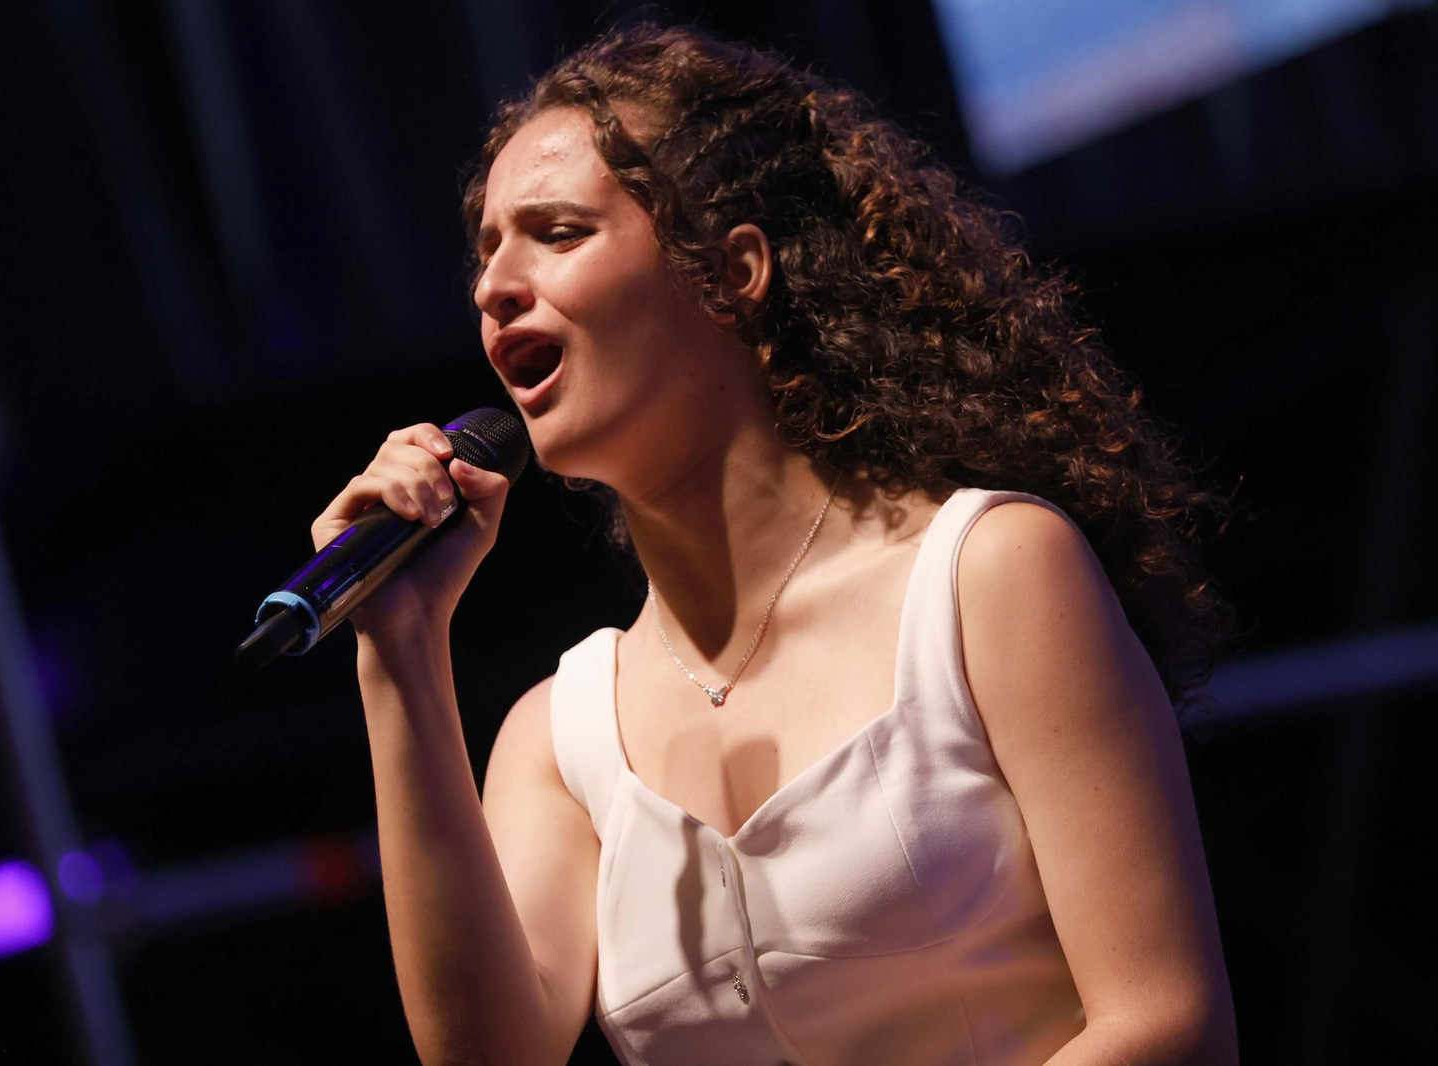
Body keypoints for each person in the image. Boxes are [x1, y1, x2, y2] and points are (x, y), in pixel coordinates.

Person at [311, 23, 1239, 1066]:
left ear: (731, 272)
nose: (492, 286)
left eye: (557, 233)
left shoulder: (988, 575)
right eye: (485, 250)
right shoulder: (559, 740)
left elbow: (1166, 1021)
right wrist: (397, 648)